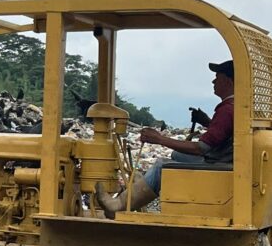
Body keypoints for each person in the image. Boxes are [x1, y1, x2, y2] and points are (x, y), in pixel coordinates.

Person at [95, 60, 234, 218]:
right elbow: (223, 133)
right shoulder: (235, 106)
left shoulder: (227, 110)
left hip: (218, 163)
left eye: (218, 77)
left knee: (162, 165)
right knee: (177, 155)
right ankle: (141, 184)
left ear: (228, 82)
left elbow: (201, 148)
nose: (213, 81)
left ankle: (117, 206)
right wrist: (207, 122)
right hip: (223, 159)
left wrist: (160, 139)